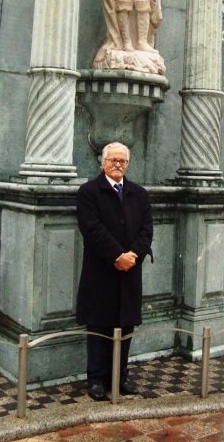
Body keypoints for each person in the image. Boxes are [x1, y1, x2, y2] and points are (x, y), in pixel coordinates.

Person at [76, 142, 153, 401]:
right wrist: (117, 256)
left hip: (130, 271)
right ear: (103, 163)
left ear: (127, 164)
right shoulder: (88, 192)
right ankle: (96, 379)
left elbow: (146, 230)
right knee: (99, 326)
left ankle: (119, 377)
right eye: (112, 160)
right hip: (100, 272)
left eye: (122, 161)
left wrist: (133, 256)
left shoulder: (139, 194)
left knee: (125, 326)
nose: (117, 164)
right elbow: (91, 228)